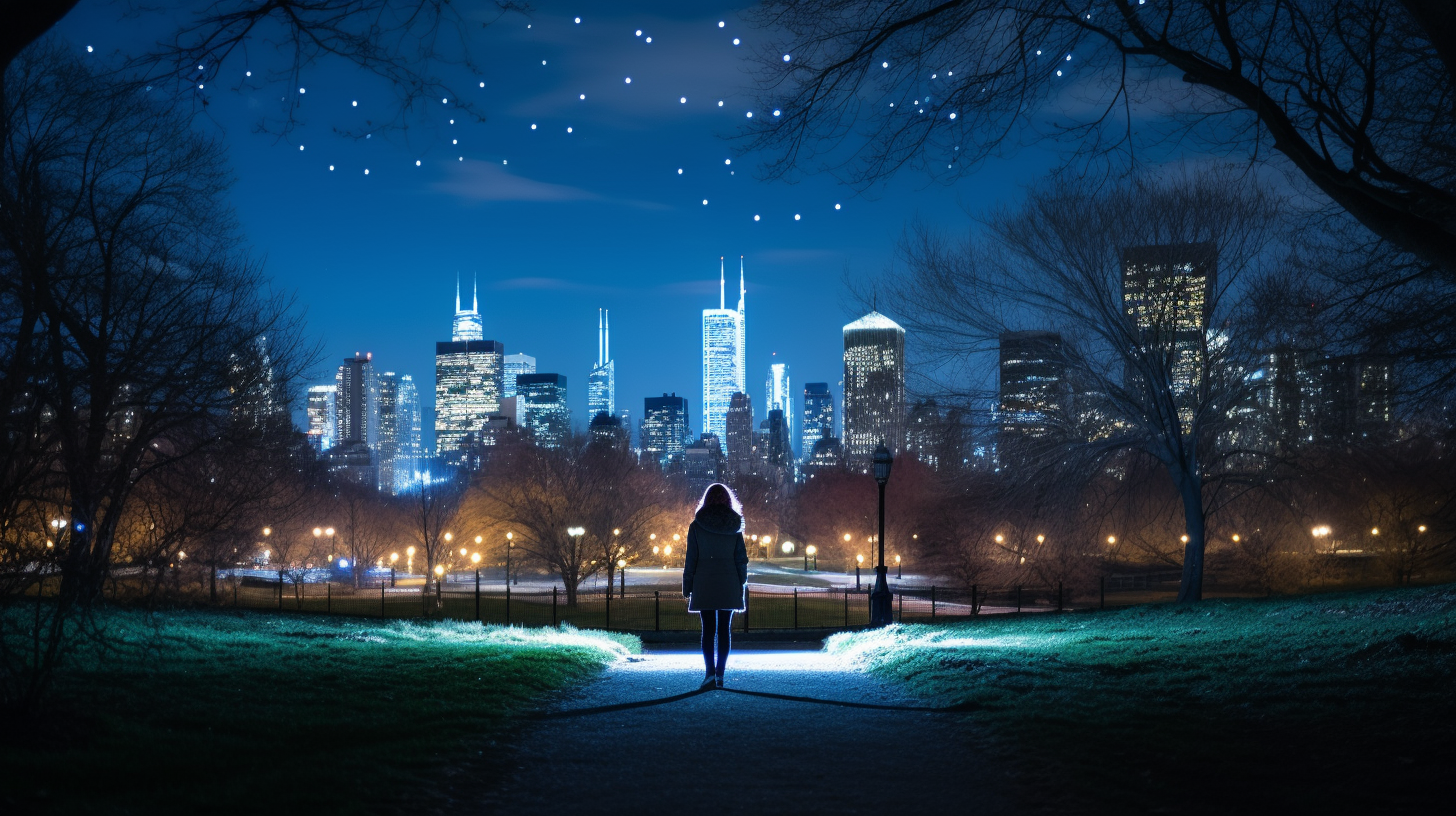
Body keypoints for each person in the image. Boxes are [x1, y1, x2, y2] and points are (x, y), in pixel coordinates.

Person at [682, 482, 748, 688]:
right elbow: (741, 560)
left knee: (708, 630)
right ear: (728, 500)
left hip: (704, 581)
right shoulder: (735, 528)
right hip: (728, 581)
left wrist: (688, 585)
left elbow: (691, 559)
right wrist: (741, 583)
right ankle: (720, 674)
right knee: (724, 630)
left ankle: (709, 673)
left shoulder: (696, 526)